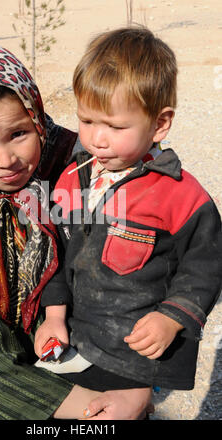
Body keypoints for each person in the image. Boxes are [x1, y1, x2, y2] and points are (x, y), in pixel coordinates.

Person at [0, 43, 152, 420]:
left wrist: (140, 388)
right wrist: (105, 412)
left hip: (118, 382)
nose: (6, 161)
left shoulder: (94, 180)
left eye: (18, 134)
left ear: (36, 116)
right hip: (34, 408)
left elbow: (155, 275)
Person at [34, 27, 222, 396]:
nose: (96, 139)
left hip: (135, 354)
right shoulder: (74, 178)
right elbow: (57, 250)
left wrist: (173, 316)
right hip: (75, 340)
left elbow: (206, 264)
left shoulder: (180, 195)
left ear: (159, 124)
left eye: (116, 126)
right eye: (86, 121)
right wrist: (54, 314)